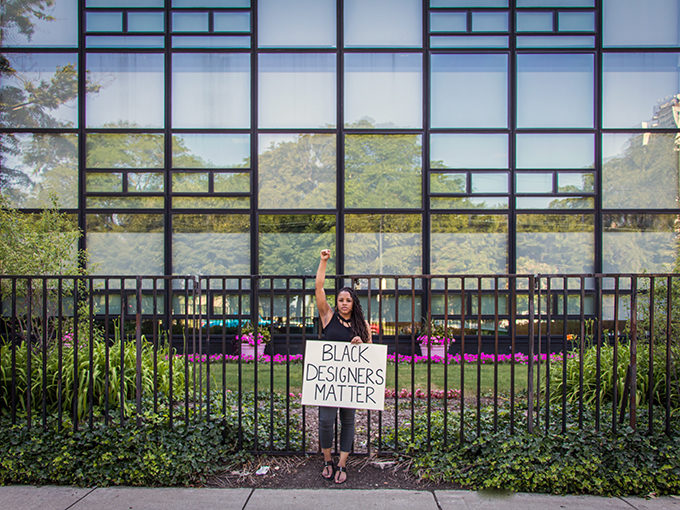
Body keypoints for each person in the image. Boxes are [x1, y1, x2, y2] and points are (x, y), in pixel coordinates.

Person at [315, 248, 372, 484]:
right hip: (329, 383)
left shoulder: (362, 325)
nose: (344, 303)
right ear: (336, 303)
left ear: (353, 303)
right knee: (326, 421)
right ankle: (327, 459)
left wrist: (361, 344)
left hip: (350, 384)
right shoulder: (328, 316)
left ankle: (342, 463)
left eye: (348, 300)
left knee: (348, 421)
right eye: (340, 300)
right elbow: (319, 288)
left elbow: (371, 356)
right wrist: (323, 261)